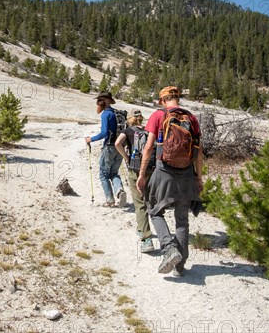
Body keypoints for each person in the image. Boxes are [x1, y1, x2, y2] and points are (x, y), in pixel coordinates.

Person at [136, 86, 203, 276]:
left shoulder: (158, 116)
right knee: (182, 220)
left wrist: (141, 174)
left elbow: (148, 147)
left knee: (154, 209)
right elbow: (198, 152)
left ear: (163, 100)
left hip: (164, 171)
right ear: (177, 98)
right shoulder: (191, 118)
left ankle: (168, 248)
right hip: (187, 172)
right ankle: (180, 266)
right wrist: (199, 177)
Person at [115, 108, 155, 253]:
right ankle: (141, 227)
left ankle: (146, 238)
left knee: (139, 203)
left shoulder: (128, 131)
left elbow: (117, 144)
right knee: (149, 200)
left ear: (130, 119)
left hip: (135, 169)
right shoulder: (148, 131)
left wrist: (126, 157)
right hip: (150, 168)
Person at [85, 91, 126, 208]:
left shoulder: (106, 114)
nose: (97, 103)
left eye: (99, 101)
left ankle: (110, 201)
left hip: (109, 147)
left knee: (103, 174)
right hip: (120, 147)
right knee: (114, 173)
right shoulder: (116, 113)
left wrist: (90, 139)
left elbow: (104, 133)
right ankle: (120, 191)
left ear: (106, 101)